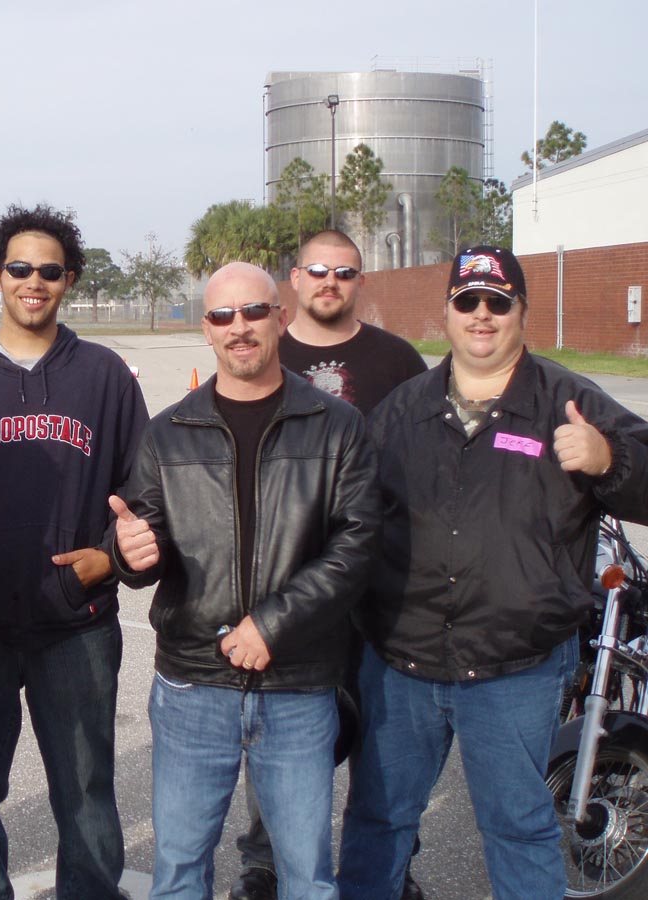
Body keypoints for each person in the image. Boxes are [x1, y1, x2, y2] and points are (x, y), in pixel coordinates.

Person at [338, 246, 648, 900]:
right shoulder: (401, 410)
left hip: (516, 667)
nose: (482, 315)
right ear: (448, 312)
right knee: (378, 821)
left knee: (519, 829)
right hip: (402, 665)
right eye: (468, 301)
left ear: (521, 312)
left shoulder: (568, 400)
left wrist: (609, 459)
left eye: (497, 302)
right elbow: (346, 515)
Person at [110, 261, 380, 900]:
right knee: (179, 872)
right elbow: (142, 538)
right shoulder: (168, 433)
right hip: (192, 685)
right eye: (223, 315)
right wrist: (126, 553)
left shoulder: (338, 425)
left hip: (298, 684)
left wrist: (273, 626)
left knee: (307, 878)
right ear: (207, 329)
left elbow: (358, 544)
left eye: (254, 311)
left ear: (281, 318)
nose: (240, 327)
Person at [0, 203, 149, 900]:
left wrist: (111, 560)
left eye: (49, 270)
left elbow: (143, 491)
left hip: (76, 624)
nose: (32, 282)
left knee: (86, 792)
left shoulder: (103, 374)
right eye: (19, 268)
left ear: (68, 280)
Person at [231, 230, 427, 900]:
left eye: (344, 272)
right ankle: (264, 864)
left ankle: (389, 865)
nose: (330, 282)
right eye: (318, 270)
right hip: (284, 580)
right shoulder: (264, 348)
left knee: (384, 736)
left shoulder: (397, 359)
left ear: (360, 281)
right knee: (274, 728)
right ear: (295, 278)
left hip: (378, 585)